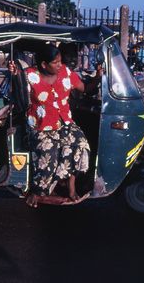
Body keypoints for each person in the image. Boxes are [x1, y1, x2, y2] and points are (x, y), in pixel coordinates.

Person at [9, 43, 102, 208]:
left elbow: (86, 88)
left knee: (80, 145)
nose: (60, 64)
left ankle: (71, 186)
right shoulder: (29, 75)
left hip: (65, 123)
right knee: (48, 152)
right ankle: (37, 191)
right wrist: (15, 75)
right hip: (40, 126)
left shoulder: (66, 72)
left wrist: (98, 77)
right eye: (55, 62)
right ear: (44, 64)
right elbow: (19, 100)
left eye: (60, 61)